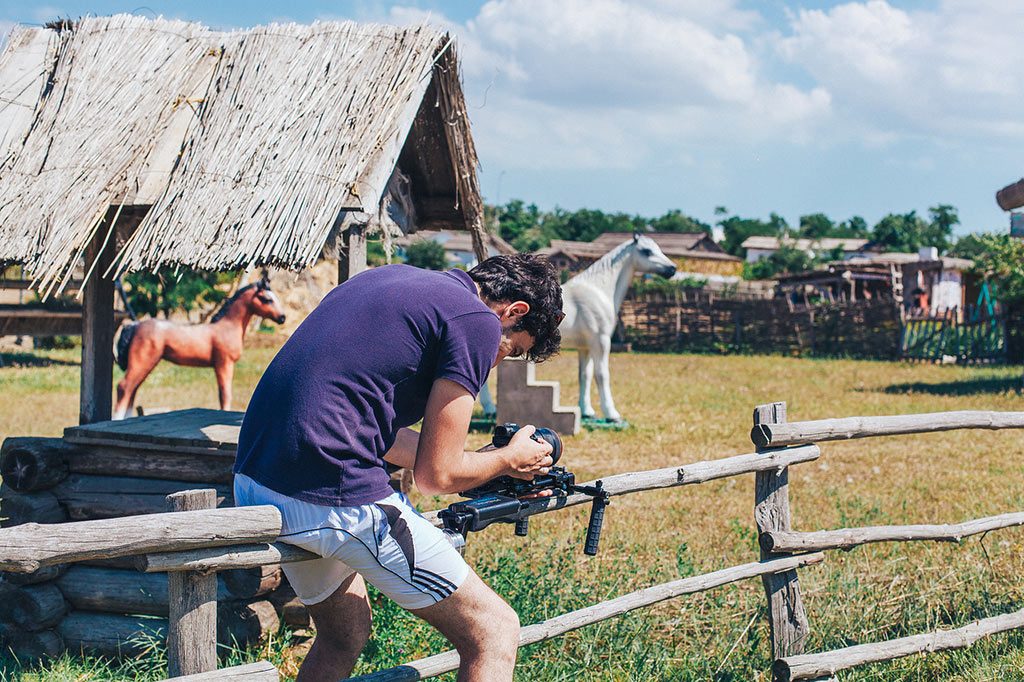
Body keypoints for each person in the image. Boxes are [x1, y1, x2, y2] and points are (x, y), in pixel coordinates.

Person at [232, 254, 564, 681]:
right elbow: (435, 477)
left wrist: (492, 466)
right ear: (515, 311)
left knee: (344, 632)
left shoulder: (389, 279)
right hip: (330, 493)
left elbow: (371, 429)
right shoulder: (478, 320)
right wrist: (507, 458)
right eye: (510, 349)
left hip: (259, 480)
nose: (496, 361)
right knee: (495, 630)